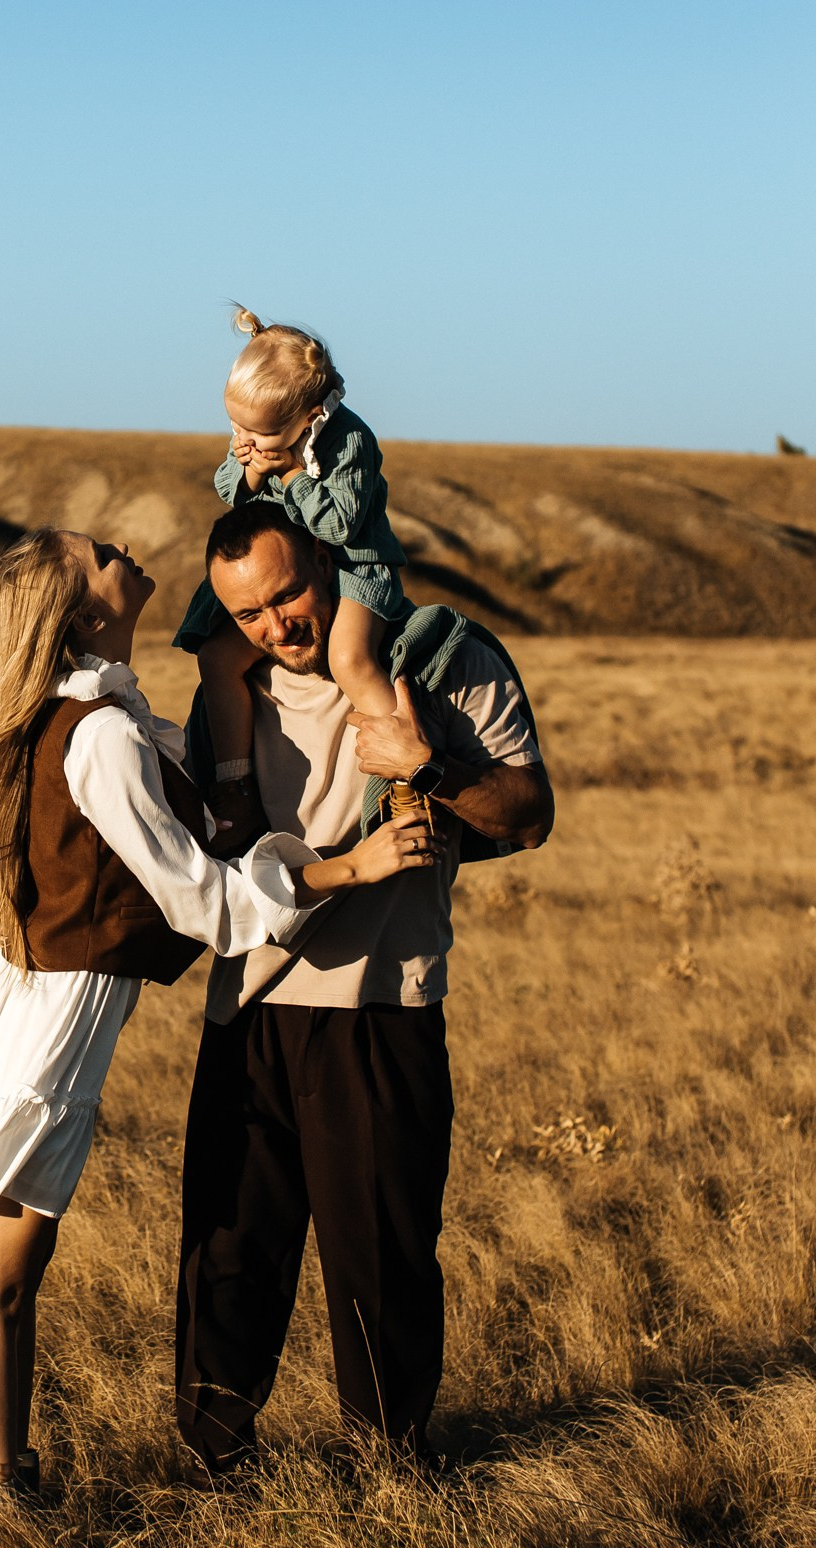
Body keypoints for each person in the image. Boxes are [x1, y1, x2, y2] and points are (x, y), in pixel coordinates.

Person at [0, 525, 438, 1499]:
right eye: (100, 550)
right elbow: (205, 899)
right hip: (42, 1025)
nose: (124, 543)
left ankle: (11, 1477)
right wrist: (348, 868)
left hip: (44, 1007)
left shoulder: (102, 714)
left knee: (12, 1281)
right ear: (82, 611)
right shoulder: (101, 734)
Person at [174, 501, 555, 1476]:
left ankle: (394, 1472)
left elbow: (528, 814)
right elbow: (210, 848)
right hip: (249, 1006)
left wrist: (428, 763)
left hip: (385, 1006)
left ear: (329, 562)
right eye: (250, 612)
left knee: (381, 1258)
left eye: (290, 592)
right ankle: (216, 1456)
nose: (277, 625)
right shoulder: (235, 683)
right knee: (231, 1249)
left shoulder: (442, 659)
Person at [171, 308, 413, 854]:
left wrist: (289, 474)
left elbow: (340, 523)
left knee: (350, 660)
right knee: (217, 657)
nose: (247, 438)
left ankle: (402, 775)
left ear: (308, 416)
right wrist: (253, 468)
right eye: (238, 428)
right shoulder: (260, 434)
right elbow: (229, 490)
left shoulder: (350, 441)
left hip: (352, 566)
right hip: (283, 563)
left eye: (259, 433)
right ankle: (232, 780)